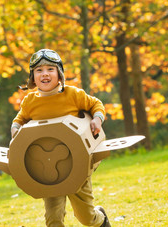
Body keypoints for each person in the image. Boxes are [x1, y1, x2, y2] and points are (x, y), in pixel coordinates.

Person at [10, 49, 111, 227]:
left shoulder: (73, 94)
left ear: (59, 74)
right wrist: (15, 129)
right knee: (53, 219)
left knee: (86, 218)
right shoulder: (30, 101)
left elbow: (96, 104)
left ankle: (100, 219)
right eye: (39, 71)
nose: (45, 74)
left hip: (76, 165)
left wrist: (97, 118)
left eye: (50, 69)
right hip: (47, 170)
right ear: (33, 78)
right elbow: (19, 119)